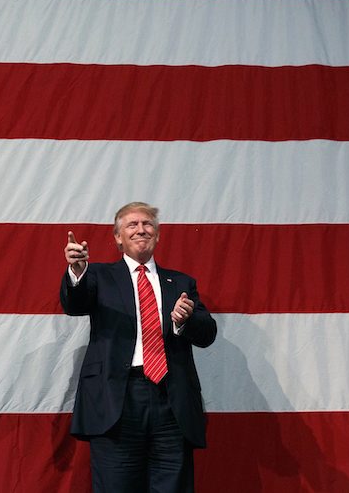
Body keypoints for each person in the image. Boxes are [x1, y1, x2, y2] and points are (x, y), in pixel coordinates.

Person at [61, 202, 217, 492]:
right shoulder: (98, 276)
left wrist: (185, 321)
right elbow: (75, 304)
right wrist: (77, 272)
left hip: (171, 401)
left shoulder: (181, 282)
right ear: (118, 237)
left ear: (157, 235)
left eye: (147, 224)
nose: (141, 229)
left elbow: (207, 334)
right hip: (116, 400)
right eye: (132, 225)